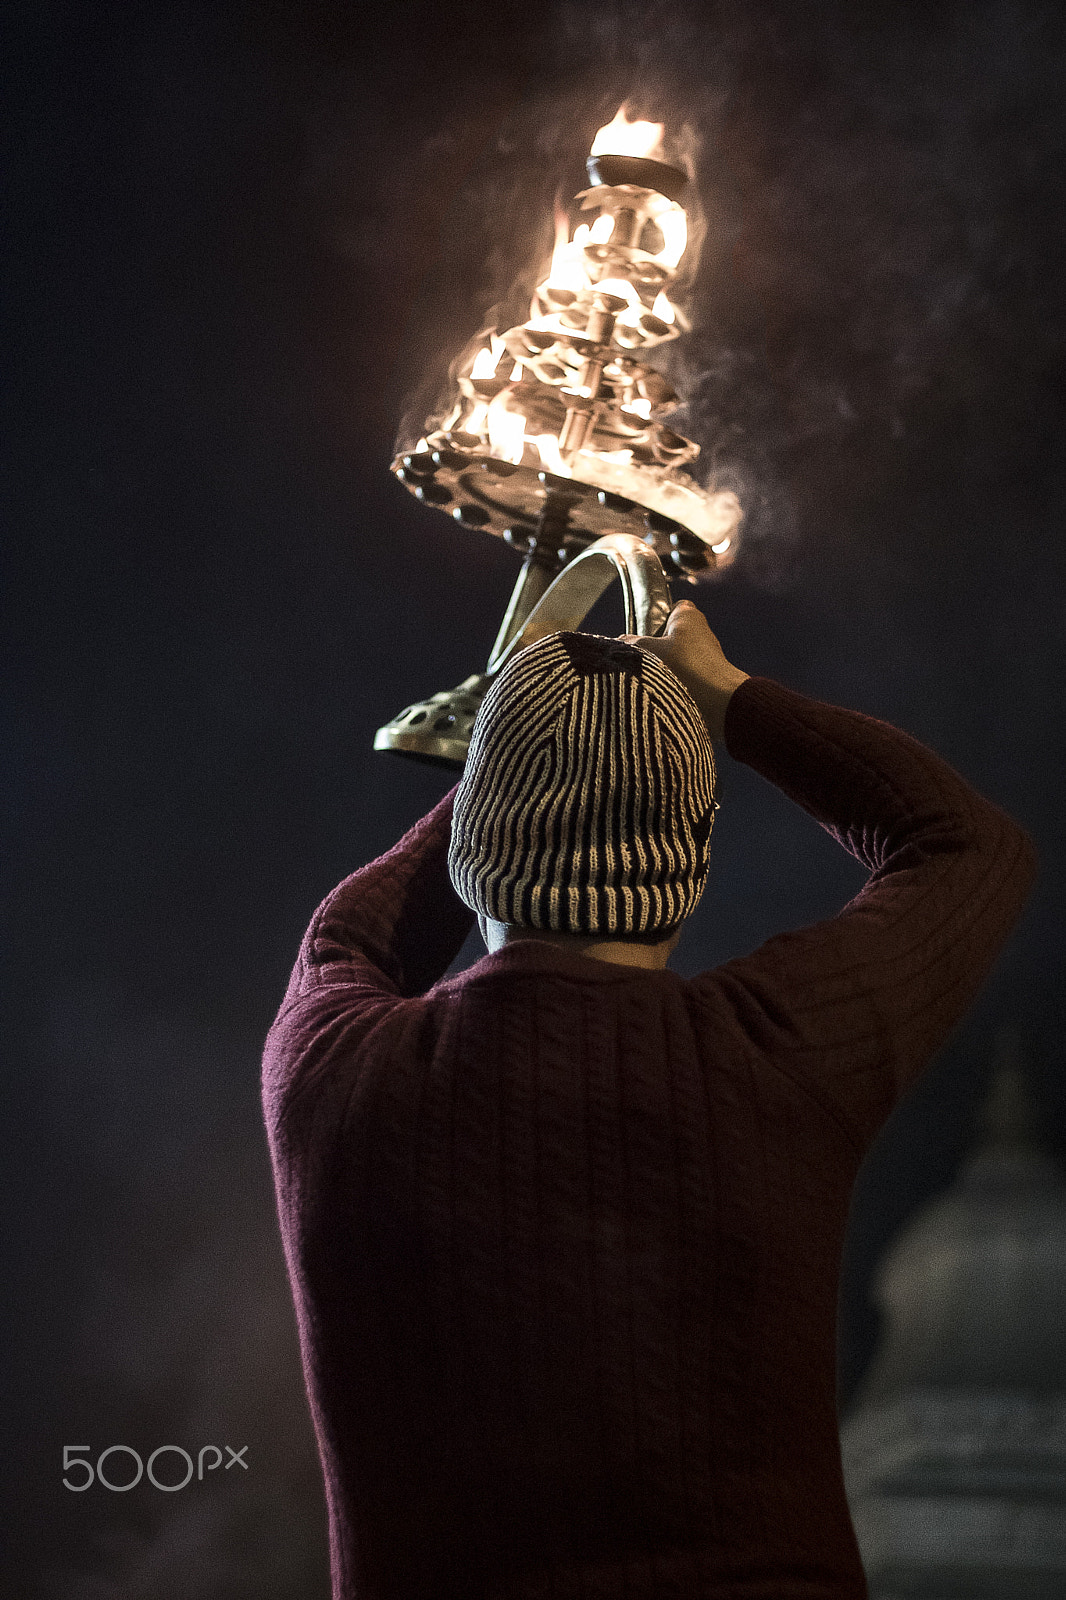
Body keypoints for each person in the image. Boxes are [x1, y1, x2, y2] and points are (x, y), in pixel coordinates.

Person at [262, 601, 1035, 1600]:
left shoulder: (330, 1069)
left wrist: (519, 739)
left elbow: (350, 935)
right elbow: (970, 847)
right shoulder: (774, 1053)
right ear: (698, 849)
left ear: (478, 840)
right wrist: (728, 697)